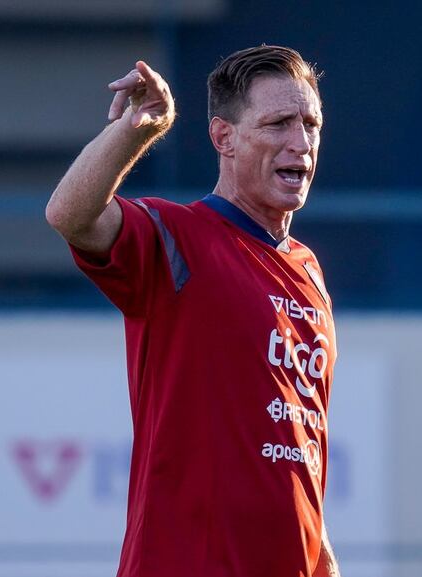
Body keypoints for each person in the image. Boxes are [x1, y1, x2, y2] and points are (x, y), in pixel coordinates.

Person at [45, 45, 340, 577]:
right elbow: (69, 214)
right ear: (223, 137)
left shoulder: (309, 270)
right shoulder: (177, 237)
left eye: (310, 124)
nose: (301, 143)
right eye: (277, 124)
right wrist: (138, 129)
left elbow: (302, 468)